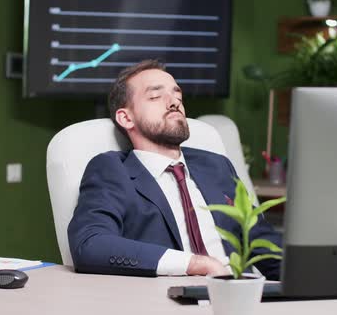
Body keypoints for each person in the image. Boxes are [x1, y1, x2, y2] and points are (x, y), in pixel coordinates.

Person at [67, 60, 282, 279]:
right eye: (155, 96)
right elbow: (90, 244)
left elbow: (266, 246)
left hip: (239, 300)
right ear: (126, 117)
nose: (174, 103)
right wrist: (194, 264)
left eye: (177, 95)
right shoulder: (112, 169)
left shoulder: (217, 165)